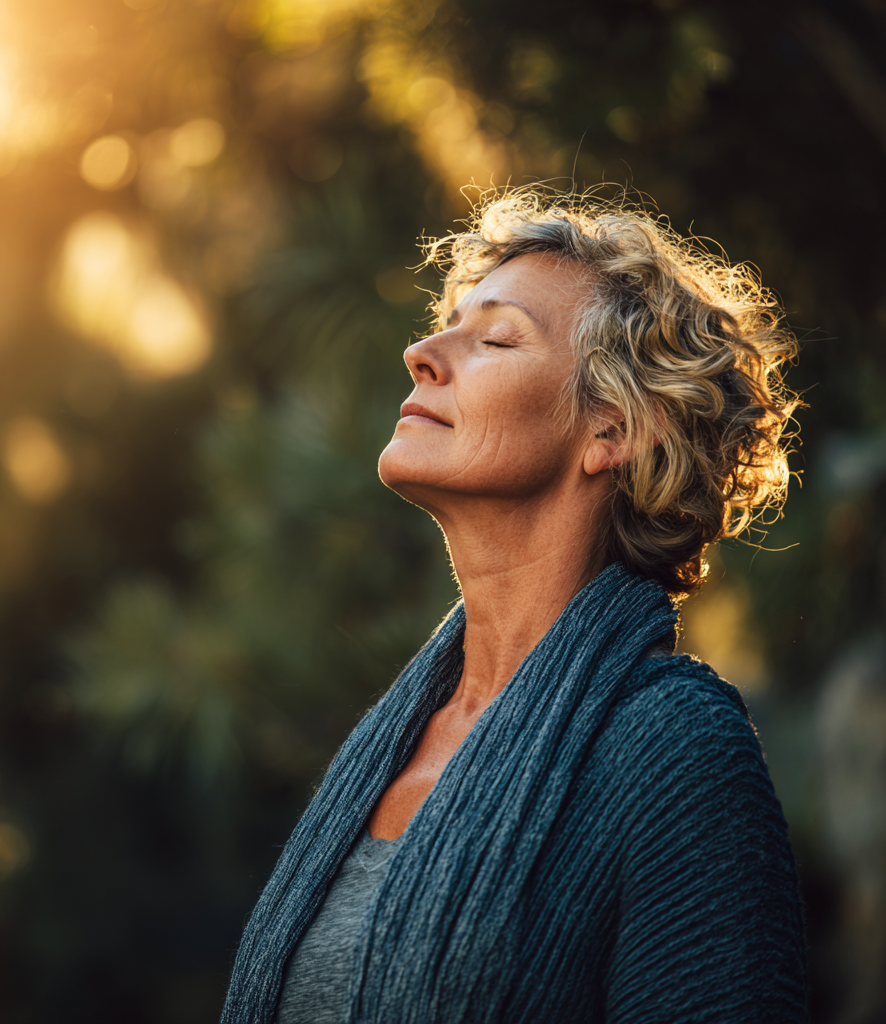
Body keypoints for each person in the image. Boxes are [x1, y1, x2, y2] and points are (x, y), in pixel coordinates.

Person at [221, 189, 808, 1024]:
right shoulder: (395, 740)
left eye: (495, 337)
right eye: (447, 324)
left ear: (613, 430)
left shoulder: (674, 750)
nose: (422, 352)